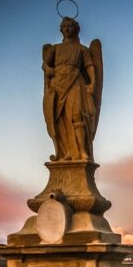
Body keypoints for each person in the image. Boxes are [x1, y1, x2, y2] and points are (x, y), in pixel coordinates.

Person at [42, 17, 98, 161]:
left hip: (74, 82)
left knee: (76, 115)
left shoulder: (82, 50)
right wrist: (48, 70)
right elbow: (45, 64)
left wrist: (92, 82)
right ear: (61, 29)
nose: (67, 29)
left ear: (76, 29)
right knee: (58, 118)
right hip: (57, 84)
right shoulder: (55, 49)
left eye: (70, 26)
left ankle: (82, 152)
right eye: (64, 26)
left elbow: (89, 66)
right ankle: (66, 152)